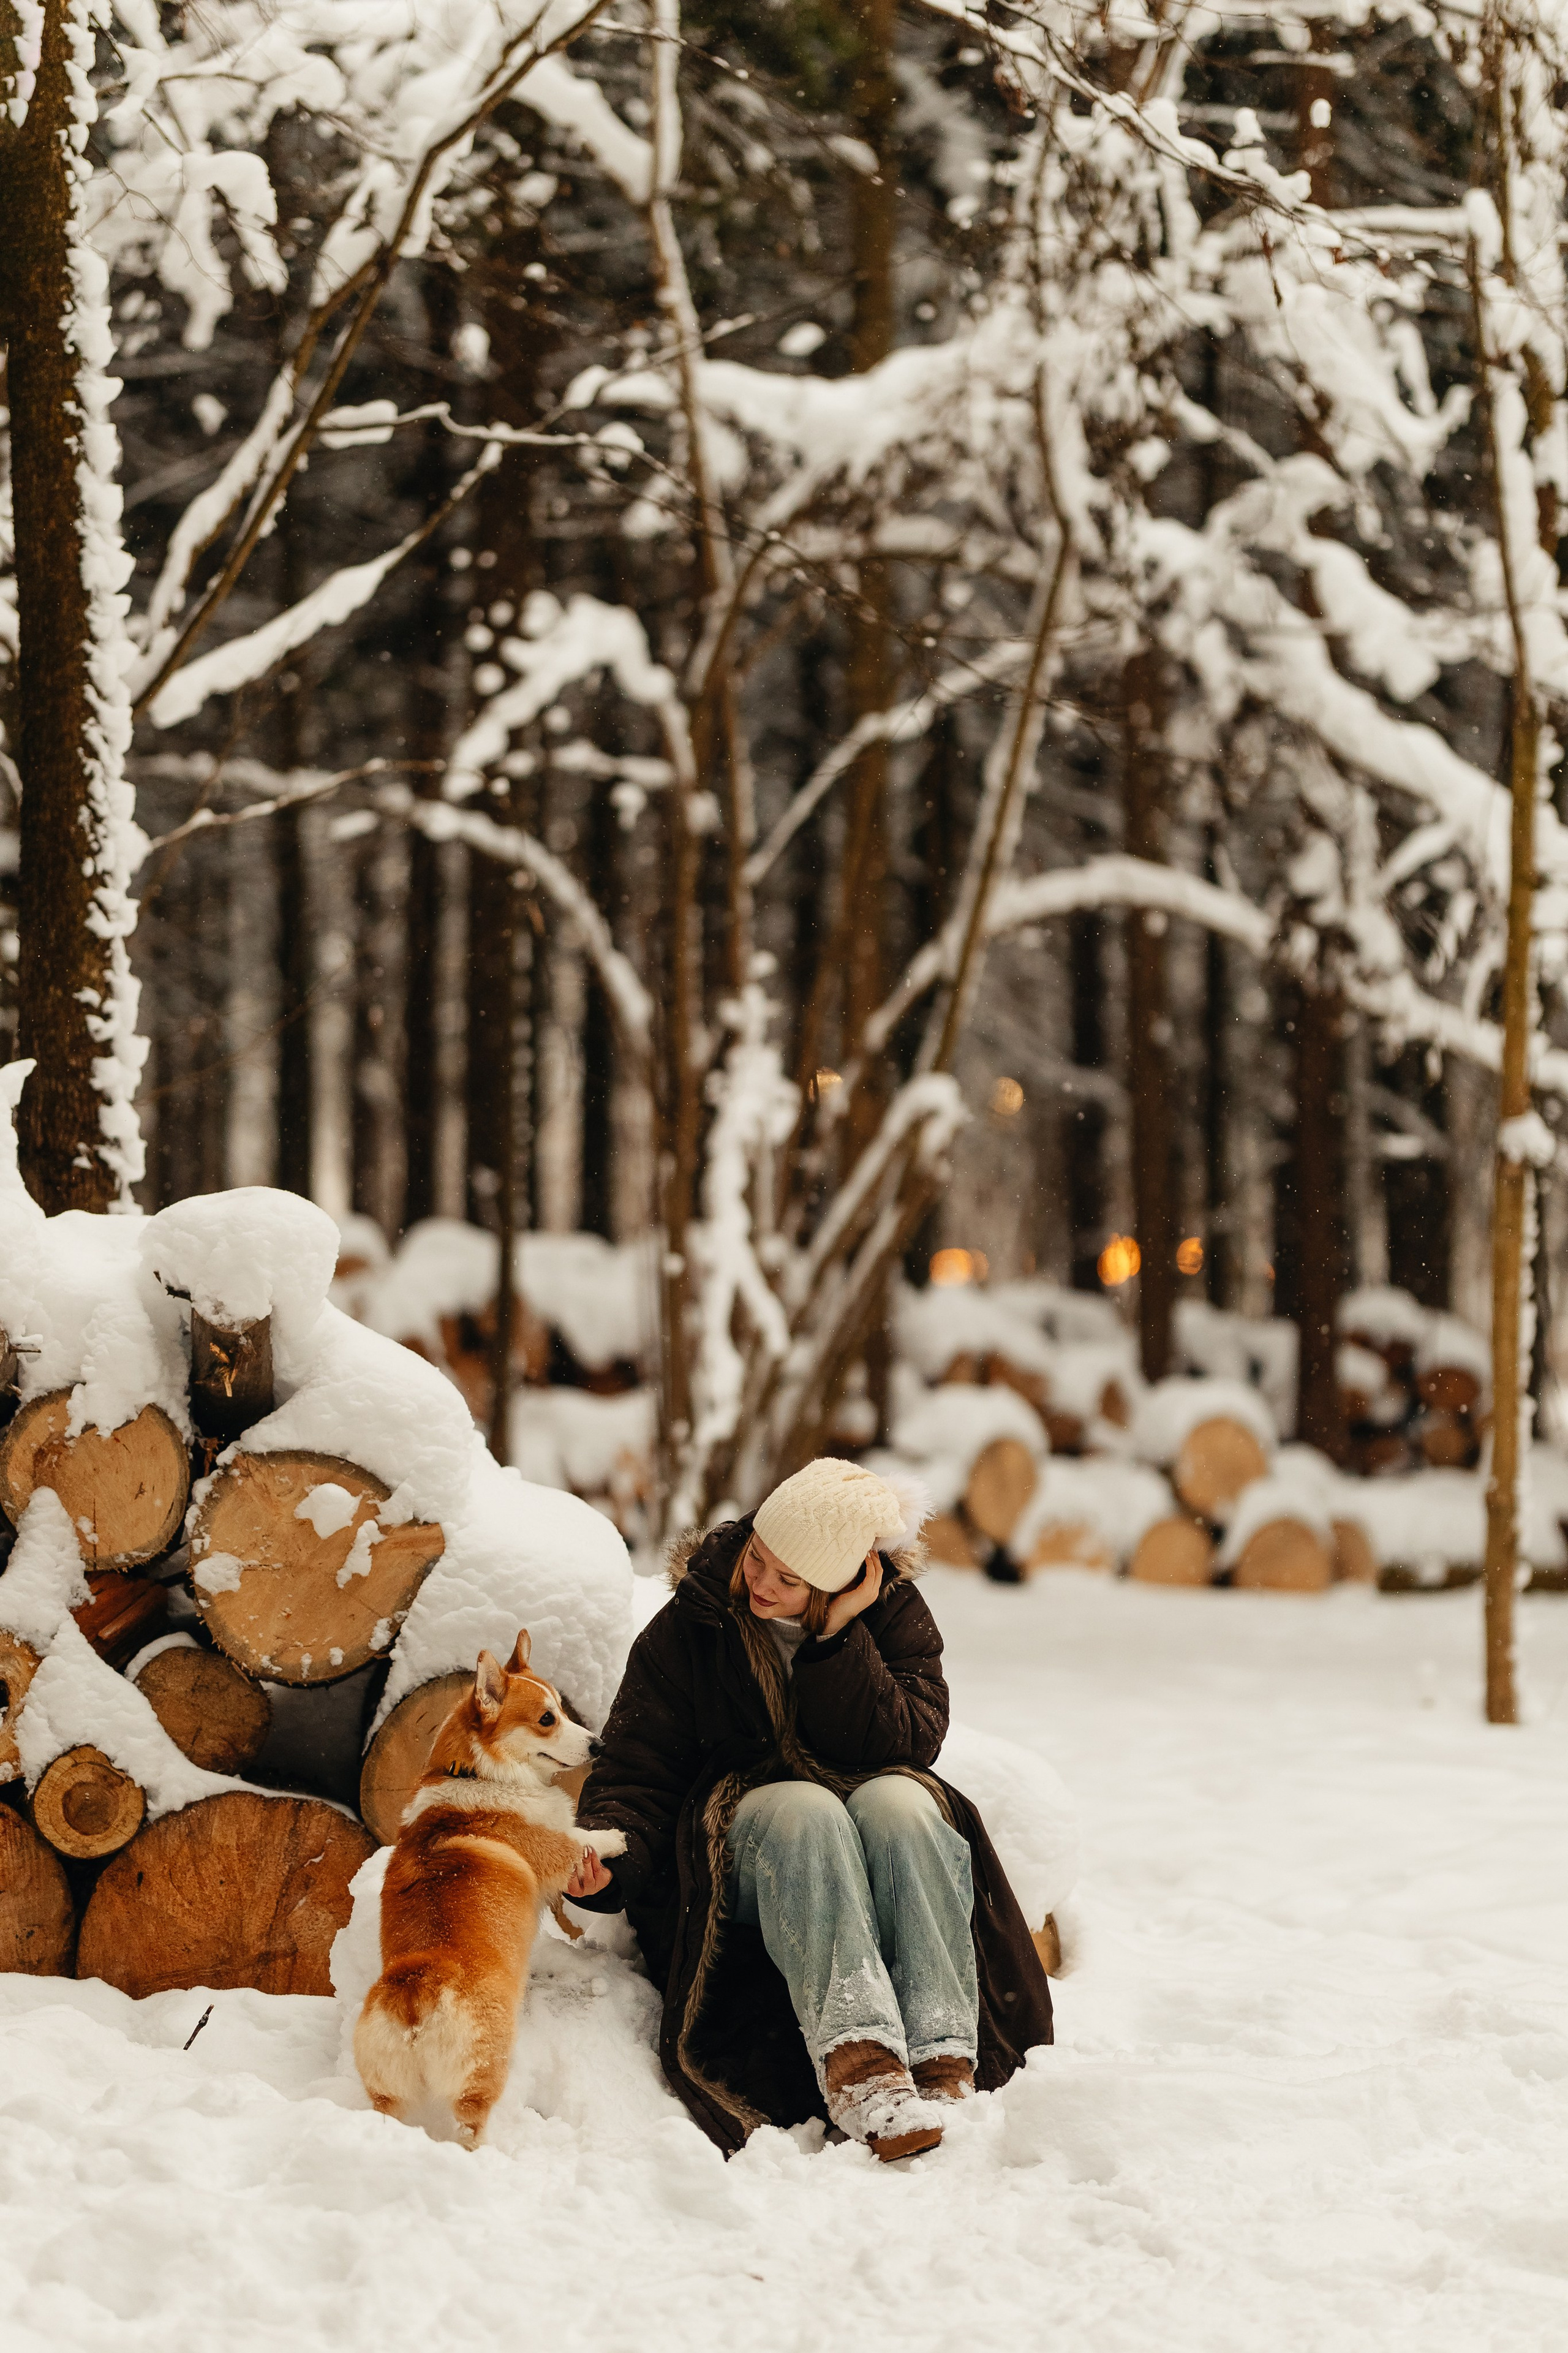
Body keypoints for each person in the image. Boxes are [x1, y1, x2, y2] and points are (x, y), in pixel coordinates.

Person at [568, 1457, 1054, 2160]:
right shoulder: (696, 1622)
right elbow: (638, 1766)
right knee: (804, 1810)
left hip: (870, 1828)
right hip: (747, 1847)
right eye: (758, 1558)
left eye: (789, 1579)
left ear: (842, 1581)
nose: (761, 1583)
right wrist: (611, 1856)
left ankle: (941, 2060)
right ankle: (863, 2071)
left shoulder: (892, 1615)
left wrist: (839, 1639)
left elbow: (909, 1743)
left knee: (903, 1802)